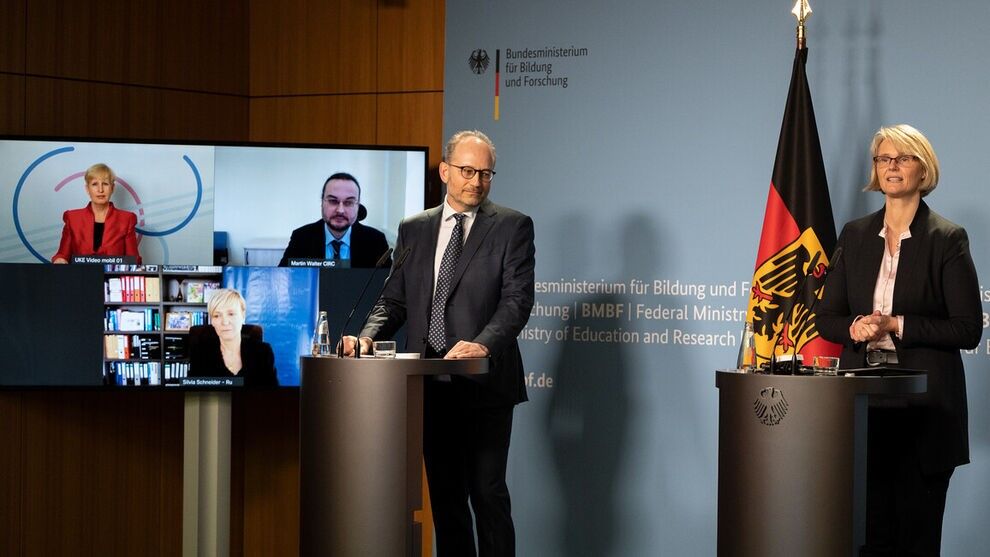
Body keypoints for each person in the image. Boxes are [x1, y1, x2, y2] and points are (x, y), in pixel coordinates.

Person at [342, 130, 535, 556]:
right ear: (446, 171)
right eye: (467, 171)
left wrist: (482, 345)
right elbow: (393, 299)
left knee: (487, 495)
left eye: (486, 173)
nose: (476, 181)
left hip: (484, 382)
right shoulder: (415, 228)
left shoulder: (512, 226)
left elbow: (517, 302)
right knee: (446, 502)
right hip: (430, 384)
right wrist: (367, 338)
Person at [817, 124, 982, 556]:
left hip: (924, 410)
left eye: (902, 158)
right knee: (866, 539)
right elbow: (825, 319)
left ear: (922, 169)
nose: (891, 166)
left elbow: (968, 329)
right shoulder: (853, 235)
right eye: (883, 159)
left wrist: (896, 325)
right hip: (863, 407)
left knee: (916, 541)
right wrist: (854, 326)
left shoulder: (947, 238)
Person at [278, 172, 390, 267]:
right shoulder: (301, 238)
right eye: (333, 201)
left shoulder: (376, 241)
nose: (340, 210)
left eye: (349, 202)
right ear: (322, 202)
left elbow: (389, 288)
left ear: (358, 205)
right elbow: (283, 281)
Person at [52, 163, 142, 264]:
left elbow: (133, 260)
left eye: (105, 184)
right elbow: (62, 255)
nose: (100, 190)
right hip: (80, 277)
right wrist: (60, 260)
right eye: (95, 184)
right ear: (87, 189)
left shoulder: (127, 219)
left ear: (112, 188)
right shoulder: (72, 218)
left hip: (113, 279)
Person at [188, 288, 278, 387]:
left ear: (243, 316)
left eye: (231, 314)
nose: (225, 322)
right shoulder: (200, 354)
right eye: (217, 316)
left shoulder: (263, 352)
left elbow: (273, 397)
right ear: (212, 321)